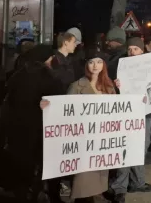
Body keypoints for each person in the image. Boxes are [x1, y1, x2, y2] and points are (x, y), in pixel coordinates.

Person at [41, 49, 120, 202]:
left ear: (103, 65)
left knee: (98, 178)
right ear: (86, 65)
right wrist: (48, 107)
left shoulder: (109, 87)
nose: (95, 66)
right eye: (91, 62)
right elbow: (65, 112)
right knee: (83, 183)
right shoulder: (76, 86)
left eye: (98, 62)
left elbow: (118, 111)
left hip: (101, 142)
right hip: (83, 142)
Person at [4, 45, 64, 202]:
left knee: (22, 165)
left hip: (17, 129)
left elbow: (8, 101)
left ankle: (22, 194)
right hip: (41, 130)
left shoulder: (17, 76)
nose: (52, 60)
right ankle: (46, 194)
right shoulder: (50, 78)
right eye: (51, 58)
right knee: (44, 165)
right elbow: (57, 105)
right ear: (46, 59)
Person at [108, 38, 151, 203]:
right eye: (130, 49)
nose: (132, 52)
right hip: (126, 112)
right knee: (126, 147)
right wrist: (116, 85)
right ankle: (119, 187)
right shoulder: (119, 66)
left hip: (145, 112)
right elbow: (108, 87)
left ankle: (137, 182)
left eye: (136, 49)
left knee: (142, 146)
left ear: (142, 51)